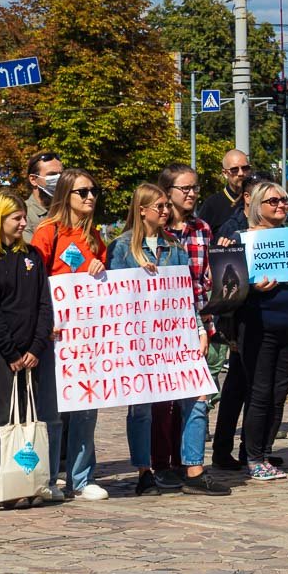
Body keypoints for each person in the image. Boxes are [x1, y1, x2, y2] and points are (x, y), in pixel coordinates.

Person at [107, 184, 228, 497]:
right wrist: (139, 278)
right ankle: (144, 471)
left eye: (165, 206)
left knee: (197, 397)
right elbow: (113, 298)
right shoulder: (121, 248)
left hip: (175, 336)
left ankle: (194, 469)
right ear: (142, 210)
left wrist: (199, 329)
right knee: (142, 408)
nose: (165, 211)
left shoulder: (174, 247)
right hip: (140, 340)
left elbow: (184, 294)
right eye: (158, 206)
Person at [30, 168, 107, 501]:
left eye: (93, 191)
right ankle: (49, 478)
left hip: (87, 337)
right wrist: (44, 323)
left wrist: (101, 268)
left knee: (86, 408)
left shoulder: (94, 236)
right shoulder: (48, 232)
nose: (90, 197)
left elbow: (105, 282)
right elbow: (35, 282)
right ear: (65, 195)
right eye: (83, 192)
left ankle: (82, 477)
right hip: (56, 336)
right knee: (52, 410)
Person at [0, 191, 53, 507]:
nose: (22, 223)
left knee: (30, 418)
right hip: (0, 354)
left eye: (23, 217)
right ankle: (5, 485)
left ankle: (29, 480)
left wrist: (36, 346)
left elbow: (43, 304)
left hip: (31, 352)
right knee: (3, 418)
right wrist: (11, 353)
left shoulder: (32, 255)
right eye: (16, 218)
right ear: (0, 219)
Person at [236, 182, 288, 481]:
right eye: (273, 201)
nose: (281, 205)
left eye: (284, 200)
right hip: (258, 327)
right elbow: (228, 286)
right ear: (258, 205)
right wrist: (252, 287)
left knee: (278, 394)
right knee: (260, 393)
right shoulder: (243, 241)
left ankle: (263, 451)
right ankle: (254, 457)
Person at [152, 165, 217, 489]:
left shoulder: (202, 228)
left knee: (195, 397)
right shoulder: (155, 231)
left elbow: (205, 277)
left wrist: (205, 322)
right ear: (167, 192)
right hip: (160, 327)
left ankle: (189, 464)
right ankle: (161, 464)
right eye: (185, 188)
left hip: (195, 324)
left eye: (195, 188)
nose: (192, 194)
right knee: (162, 402)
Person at [197, 149, 251, 232]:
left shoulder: (260, 199)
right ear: (225, 173)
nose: (241, 173)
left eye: (245, 168)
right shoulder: (212, 204)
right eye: (234, 170)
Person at [23, 151, 63, 242]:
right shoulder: (23, 213)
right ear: (33, 180)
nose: (59, 179)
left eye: (61, 174)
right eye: (52, 175)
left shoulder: (67, 210)